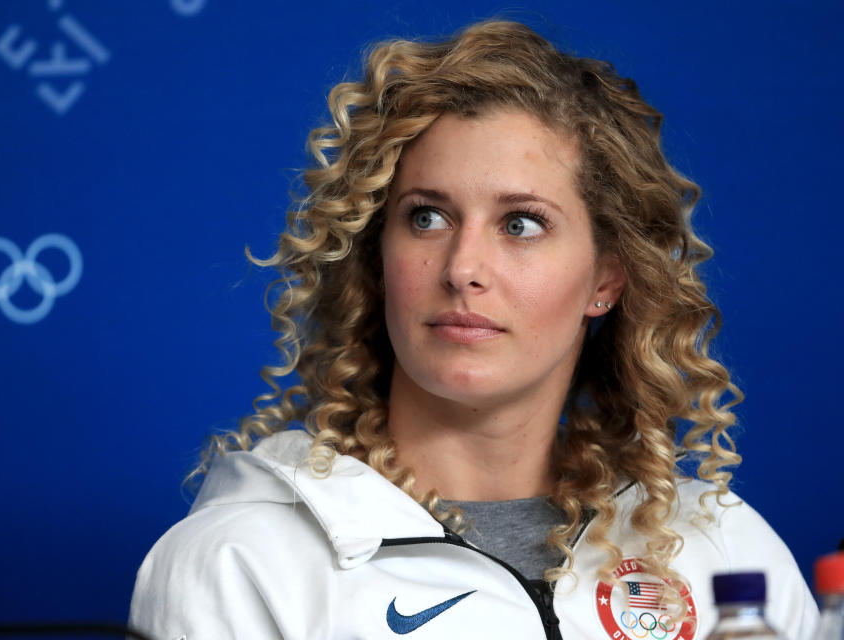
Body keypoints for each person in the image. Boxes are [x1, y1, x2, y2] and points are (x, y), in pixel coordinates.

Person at [129, 20, 818, 640]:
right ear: (377, 255)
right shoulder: (244, 563)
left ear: (606, 280)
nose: (462, 268)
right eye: (427, 217)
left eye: (521, 224)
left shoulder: (723, 553)